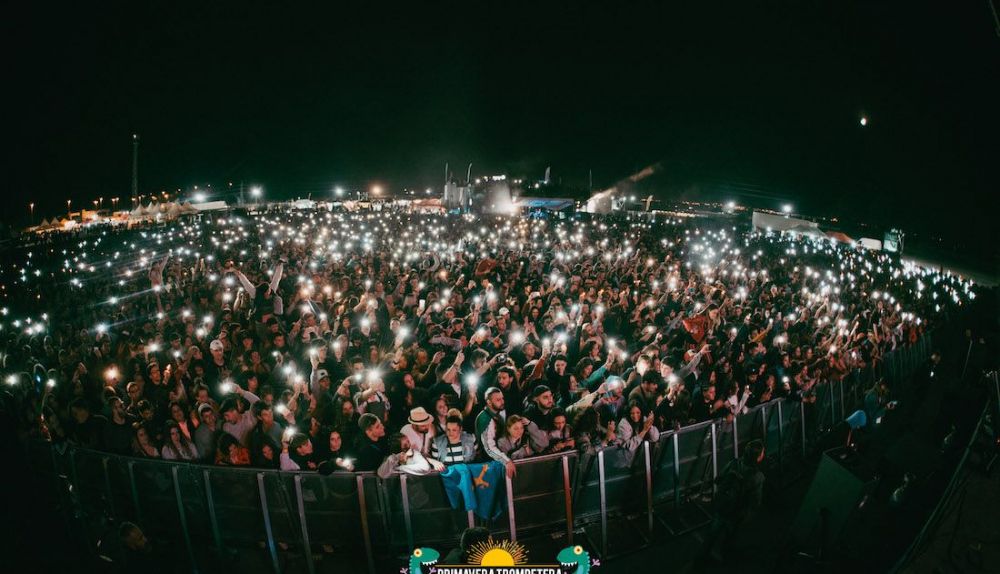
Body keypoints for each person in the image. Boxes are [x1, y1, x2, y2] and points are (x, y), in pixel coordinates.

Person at [703, 440, 765, 563]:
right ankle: (725, 556)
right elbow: (755, 501)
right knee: (730, 536)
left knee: (712, 534)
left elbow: (718, 479)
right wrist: (747, 515)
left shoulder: (734, 464)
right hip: (737, 512)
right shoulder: (758, 477)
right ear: (758, 458)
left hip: (722, 506)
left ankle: (701, 558)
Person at [475, 387, 516, 477]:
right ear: (489, 402)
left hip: (497, 460)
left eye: (502, 398)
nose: (502, 402)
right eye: (498, 400)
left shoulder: (498, 414)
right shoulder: (485, 419)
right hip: (488, 465)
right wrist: (506, 461)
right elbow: (489, 448)